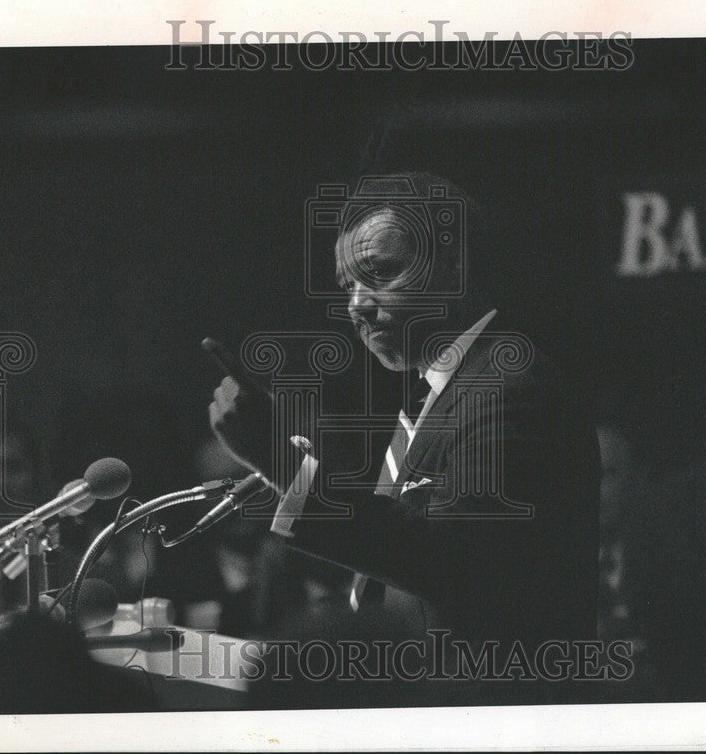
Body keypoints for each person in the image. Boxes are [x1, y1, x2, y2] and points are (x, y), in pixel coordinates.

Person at [208, 173, 600, 703]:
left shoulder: (508, 385)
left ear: (455, 265)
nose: (357, 305)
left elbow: (451, 562)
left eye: (382, 273)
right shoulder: (445, 387)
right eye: (348, 286)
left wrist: (284, 465)